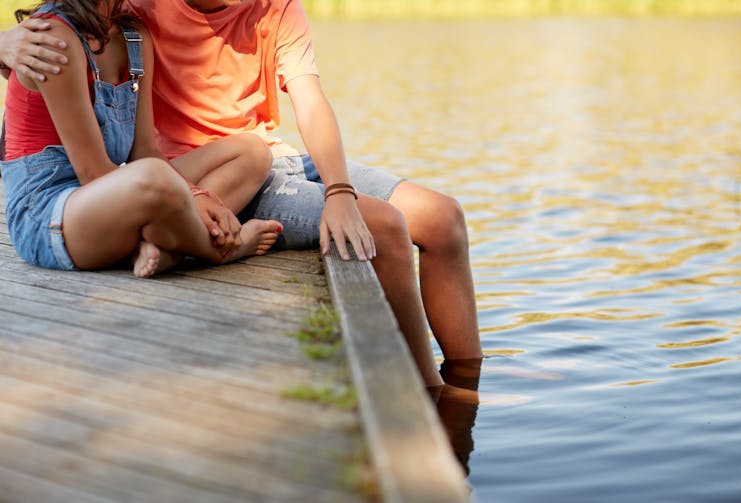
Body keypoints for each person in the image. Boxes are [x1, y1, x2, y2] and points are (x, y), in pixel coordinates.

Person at [0, 0, 482, 390]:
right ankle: (429, 395)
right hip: (142, 186)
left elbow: (309, 100)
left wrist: (339, 190)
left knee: (442, 218)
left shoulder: (254, 12)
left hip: (247, 161)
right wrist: (6, 41)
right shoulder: (134, 11)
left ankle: (467, 380)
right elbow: (59, 51)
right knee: (384, 225)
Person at [0, 0, 282, 279]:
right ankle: (219, 249)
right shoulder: (53, 36)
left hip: (114, 193)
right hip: (49, 217)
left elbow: (145, 150)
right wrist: (193, 198)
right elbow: (93, 171)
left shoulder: (133, 36)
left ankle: (163, 245)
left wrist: (195, 193)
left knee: (251, 152)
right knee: (155, 177)